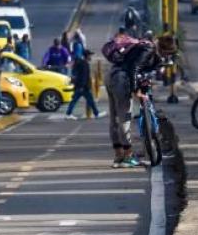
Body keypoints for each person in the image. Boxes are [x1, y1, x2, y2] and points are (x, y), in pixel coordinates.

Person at [104, 32, 160, 168]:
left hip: (111, 75)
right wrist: (136, 91)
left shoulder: (136, 46)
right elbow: (134, 69)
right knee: (124, 118)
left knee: (114, 118)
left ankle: (119, 155)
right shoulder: (148, 49)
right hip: (121, 80)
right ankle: (128, 156)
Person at [65, 50, 102, 120]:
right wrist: (82, 86)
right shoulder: (85, 64)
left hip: (80, 86)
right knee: (88, 100)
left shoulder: (81, 63)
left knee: (81, 100)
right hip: (83, 87)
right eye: (90, 55)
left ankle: (96, 113)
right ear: (87, 56)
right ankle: (96, 114)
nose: (91, 57)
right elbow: (84, 76)